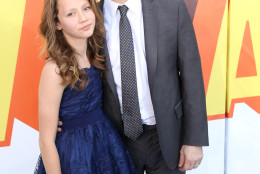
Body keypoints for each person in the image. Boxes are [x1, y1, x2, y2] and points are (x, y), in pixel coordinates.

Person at [59, 0, 209, 173]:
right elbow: (73, 66)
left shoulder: (171, 6)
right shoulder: (89, 16)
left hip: (168, 136)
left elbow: (192, 75)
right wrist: (64, 116)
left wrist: (194, 139)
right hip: (116, 138)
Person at [34, 0, 137, 173]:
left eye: (86, 8)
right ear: (57, 23)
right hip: (74, 155)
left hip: (106, 147)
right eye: (71, 14)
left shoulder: (95, 55)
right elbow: (46, 141)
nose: (83, 18)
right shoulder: (55, 70)